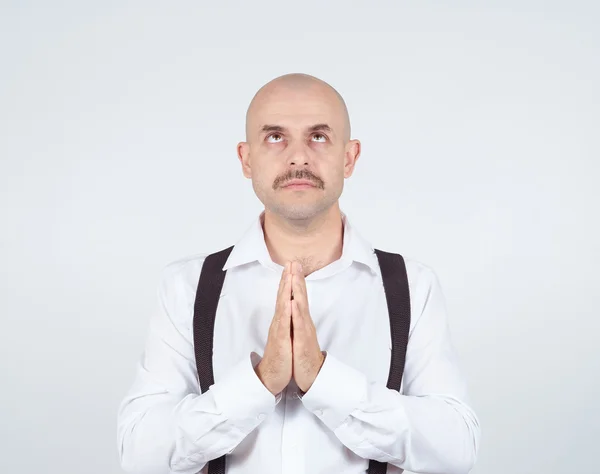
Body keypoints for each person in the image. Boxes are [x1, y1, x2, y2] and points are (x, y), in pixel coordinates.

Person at [116, 73, 481, 474]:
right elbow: (139, 455)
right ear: (246, 158)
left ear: (349, 157)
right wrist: (260, 381)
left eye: (319, 136)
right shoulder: (187, 288)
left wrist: (324, 380)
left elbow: (456, 450)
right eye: (275, 137)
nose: (298, 157)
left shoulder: (412, 287)